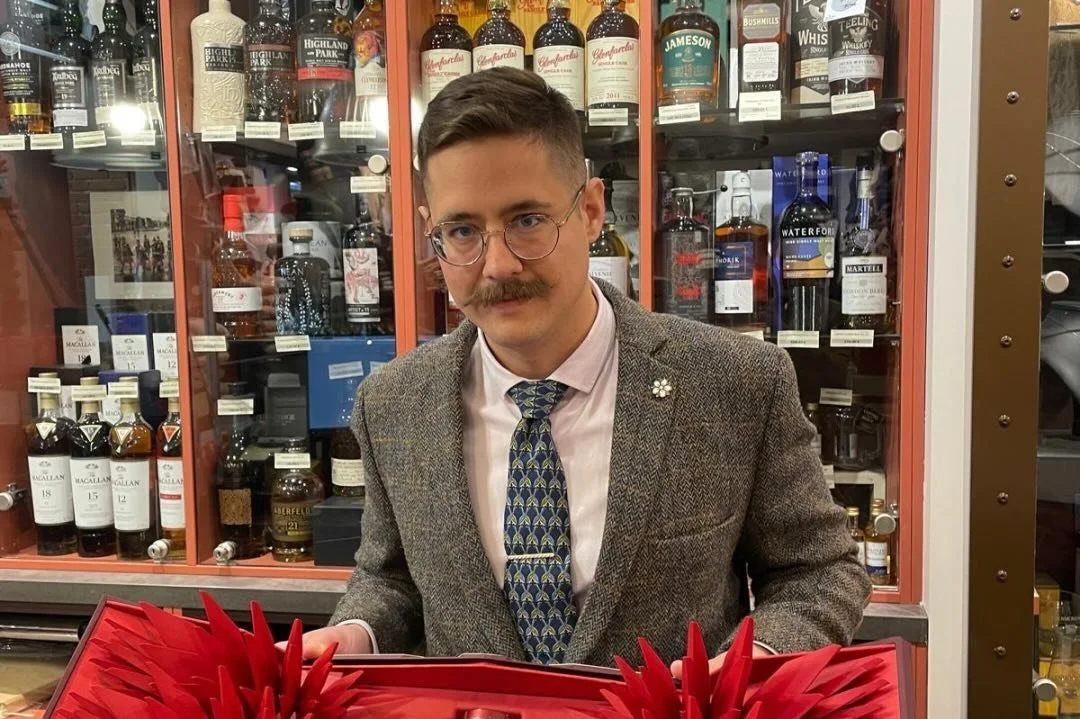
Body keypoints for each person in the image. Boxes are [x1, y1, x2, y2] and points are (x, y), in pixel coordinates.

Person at [302, 68, 870, 672]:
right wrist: (355, 632)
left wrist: (753, 660)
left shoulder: (736, 381)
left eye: (527, 220)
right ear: (431, 234)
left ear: (592, 211)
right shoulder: (392, 403)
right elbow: (390, 580)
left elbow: (818, 570)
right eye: (463, 231)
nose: (497, 265)